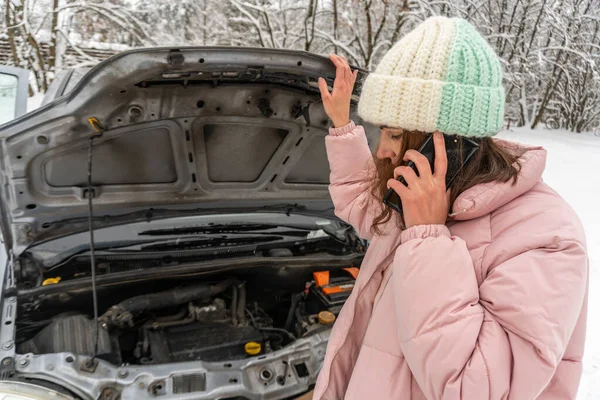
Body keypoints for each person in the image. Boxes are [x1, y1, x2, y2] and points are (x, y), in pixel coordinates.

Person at [309, 16, 589, 400]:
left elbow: (477, 387)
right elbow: (362, 203)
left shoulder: (545, 235)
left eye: (393, 134)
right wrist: (343, 125)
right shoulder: (423, 197)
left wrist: (428, 239)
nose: (382, 151)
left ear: (446, 140)